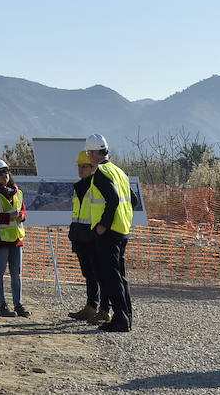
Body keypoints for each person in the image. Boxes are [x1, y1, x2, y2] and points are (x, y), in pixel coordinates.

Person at [85, 133, 134, 332]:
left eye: (88, 153)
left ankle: (120, 321)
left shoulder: (101, 173)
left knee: (112, 279)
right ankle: (126, 317)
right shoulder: (119, 172)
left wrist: (103, 224)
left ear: (92, 153)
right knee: (120, 277)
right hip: (122, 229)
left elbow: (112, 199)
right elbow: (134, 200)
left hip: (109, 233)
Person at [68, 150, 109, 323]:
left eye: (84, 166)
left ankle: (105, 310)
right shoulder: (79, 186)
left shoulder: (98, 183)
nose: (81, 169)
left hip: (94, 236)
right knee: (89, 274)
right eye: (79, 166)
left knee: (100, 274)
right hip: (80, 235)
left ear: (93, 166)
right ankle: (91, 307)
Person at [0, 158, 28, 317]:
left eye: (5, 171)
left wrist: (21, 217)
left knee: (16, 274)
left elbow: (24, 211)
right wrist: (9, 217)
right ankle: (1, 305)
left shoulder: (18, 192)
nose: (3, 175)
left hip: (17, 240)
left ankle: (18, 305)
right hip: (1, 240)